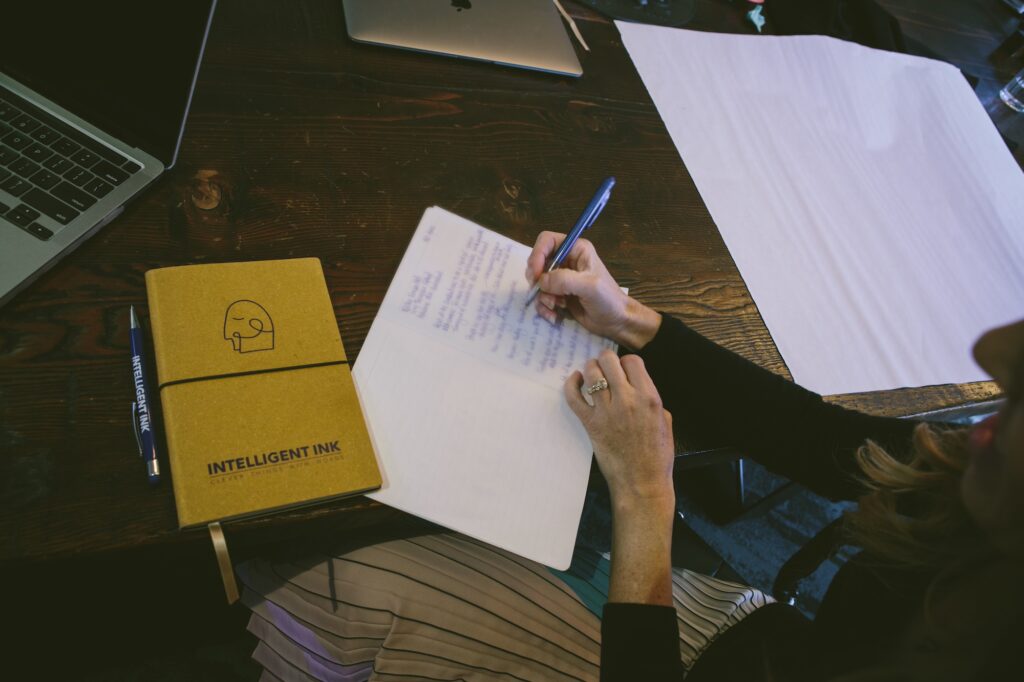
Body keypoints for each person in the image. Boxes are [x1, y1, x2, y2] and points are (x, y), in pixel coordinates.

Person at [237, 233, 1021, 681]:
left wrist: (646, 496)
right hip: (748, 643)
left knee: (344, 593)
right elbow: (813, 435)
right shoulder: (979, 488)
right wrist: (633, 321)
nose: (991, 356)